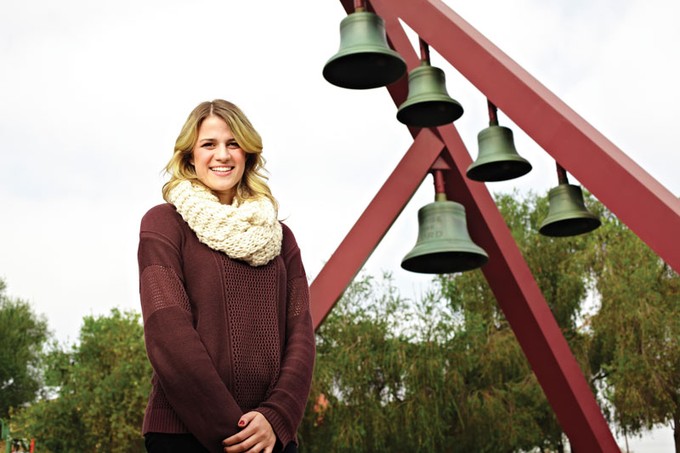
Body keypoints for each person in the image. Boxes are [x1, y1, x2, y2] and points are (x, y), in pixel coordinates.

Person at [137, 99, 316, 453]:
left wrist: (275, 418)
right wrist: (236, 433)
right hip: (184, 436)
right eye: (209, 144)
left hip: (270, 438)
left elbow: (301, 334)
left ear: (247, 153)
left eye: (233, 143)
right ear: (190, 156)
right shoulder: (163, 225)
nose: (223, 155)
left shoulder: (281, 238)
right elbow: (167, 331)